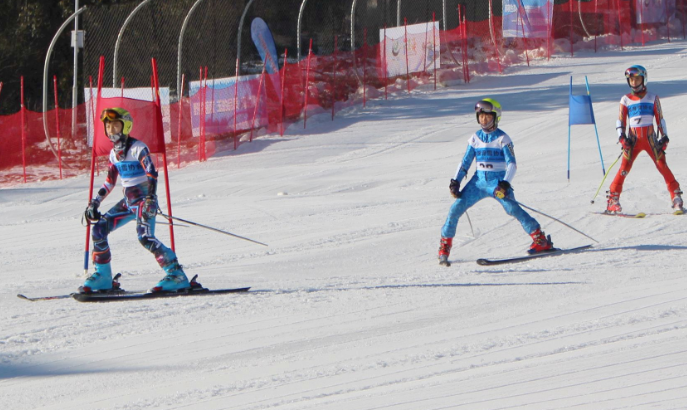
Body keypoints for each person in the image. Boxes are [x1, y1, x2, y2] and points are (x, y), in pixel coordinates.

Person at [81, 107, 190, 293]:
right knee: (98, 229)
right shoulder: (114, 154)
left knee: (145, 237)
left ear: (126, 126)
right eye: (108, 127)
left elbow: (152, 174)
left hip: (144, 201)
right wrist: (95, 202)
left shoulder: (138, 148)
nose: (111, 131)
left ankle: (177, 275)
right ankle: (103, 277)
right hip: (128, 202)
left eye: (115, 126)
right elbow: (109, 182)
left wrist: (150, 199)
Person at [438, 98, 553, 265]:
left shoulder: (503, 138)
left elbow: (512, 164)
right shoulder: (475, 138)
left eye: (487, 116)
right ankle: (444, 246)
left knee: (512, 208)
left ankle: (540, 240)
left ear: (495, 117)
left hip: (496, 181)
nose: (484, 120)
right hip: (478, 182)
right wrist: (455, 181)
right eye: (481, 116)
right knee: (456, 209)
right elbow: (465, 162)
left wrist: (505, 183)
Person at [606, 65, 683, 214]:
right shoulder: (626, 99)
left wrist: (664, 137)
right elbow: (621, 120)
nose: (634, 82)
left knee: (662, 165)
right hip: (633, 140)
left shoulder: (652, 97)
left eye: (637, 79)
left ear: (644, 79)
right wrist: (622, 138)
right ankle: (613, 199)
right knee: (624, 168)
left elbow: (660, 118)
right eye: (631, 80)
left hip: (650, 139)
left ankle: (676, 196)